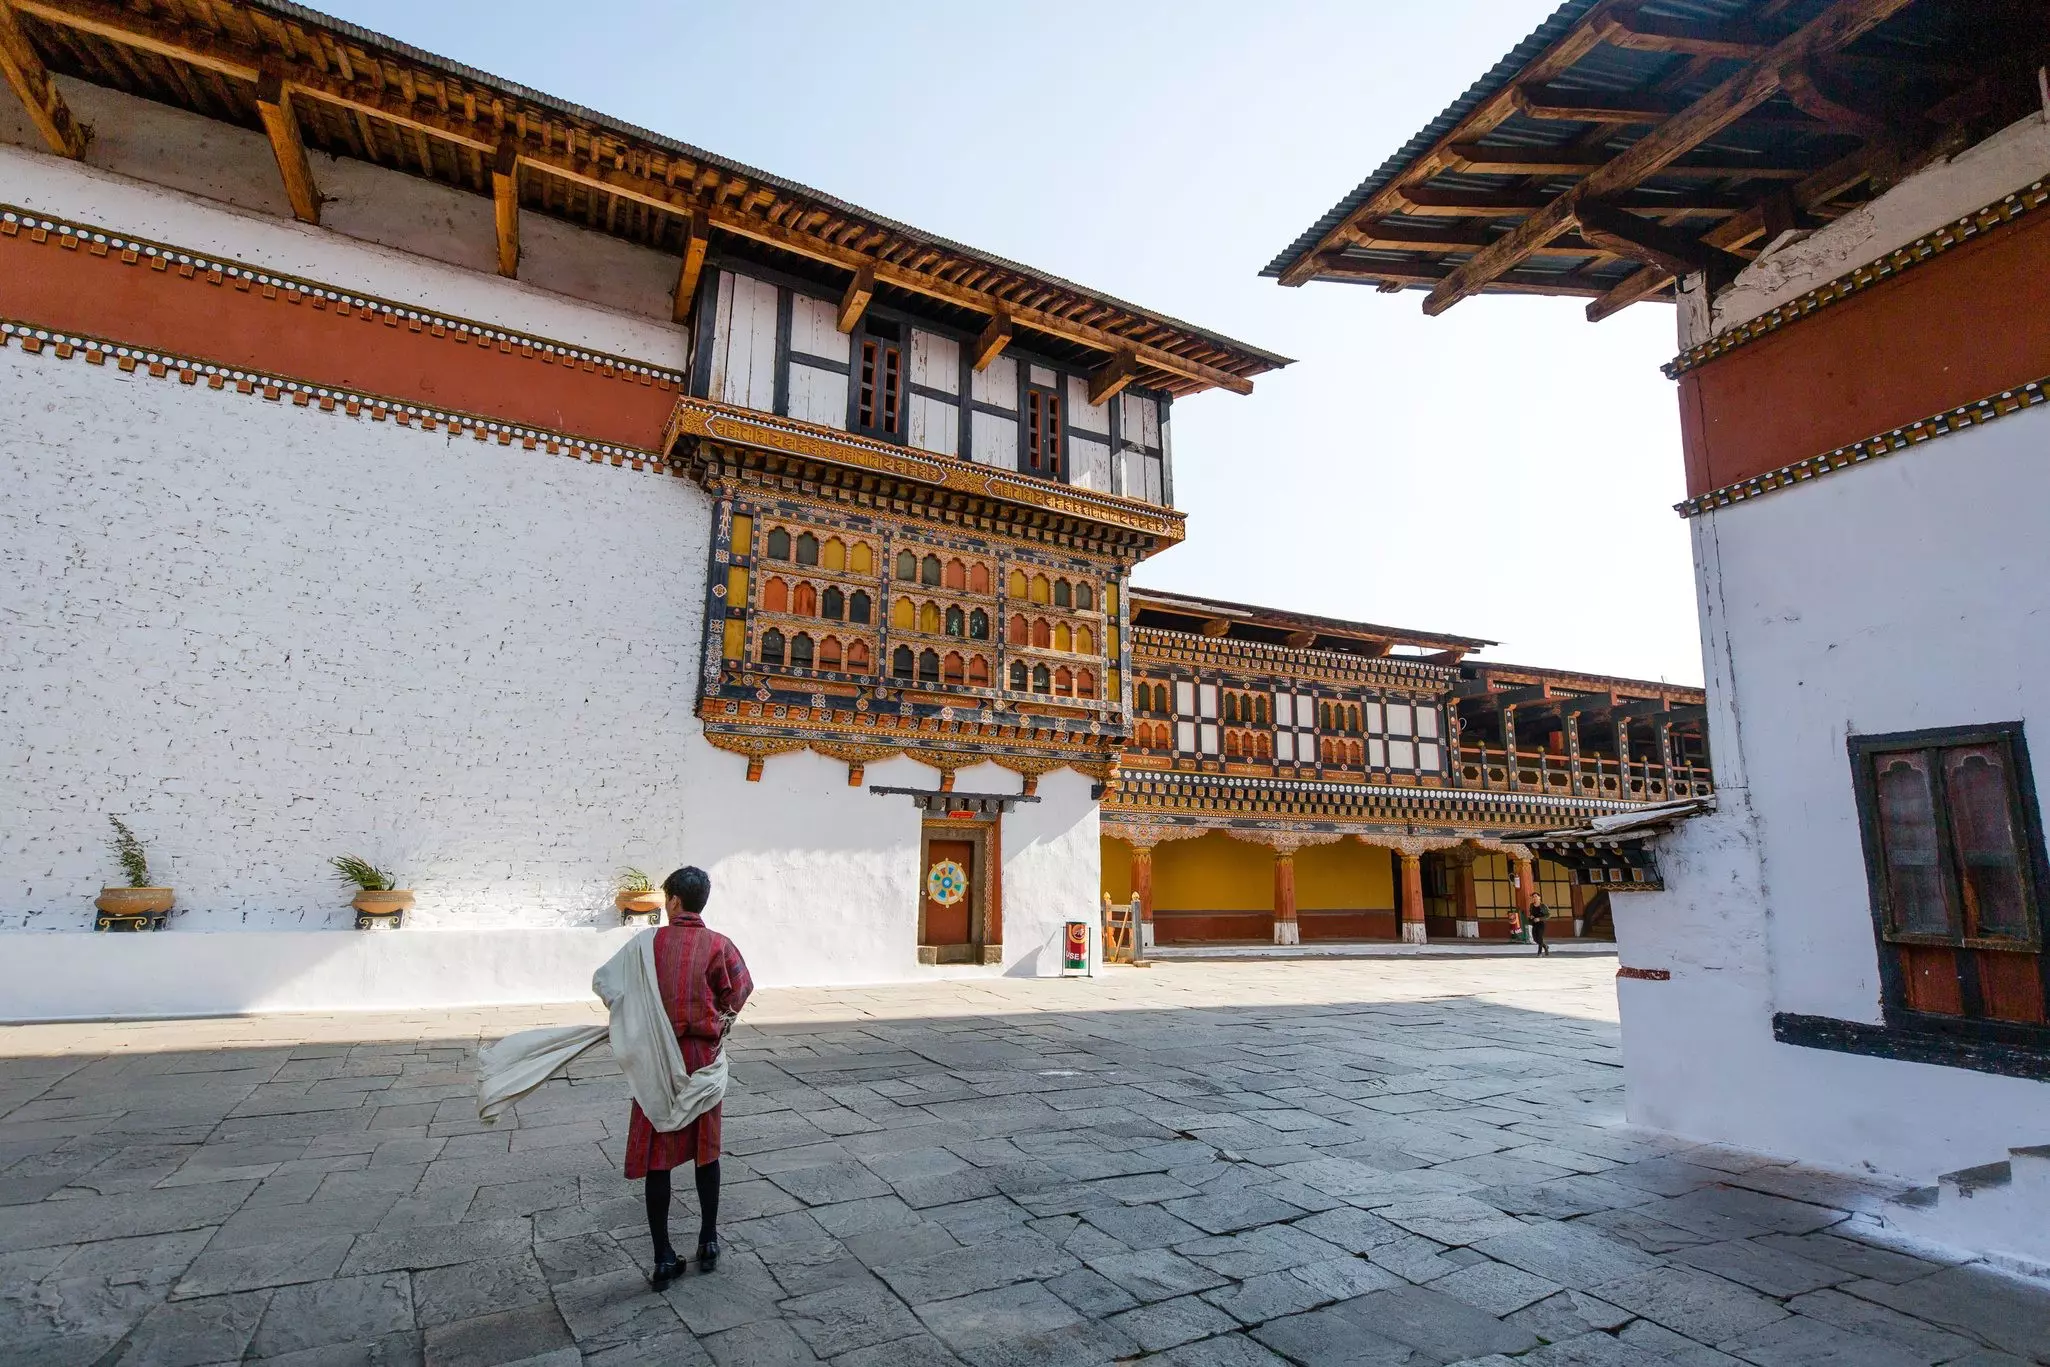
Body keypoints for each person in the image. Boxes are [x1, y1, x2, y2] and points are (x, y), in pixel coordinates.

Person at [628, 866, 753, 1287]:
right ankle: (708, 1238)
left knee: (657, 1160)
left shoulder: (646, 945)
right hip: (702, 1058)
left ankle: (663, 1255)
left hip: (658, 1061)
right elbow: (740, 989)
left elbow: (614, 988)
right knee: (707, 1153)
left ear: (674, 901)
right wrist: (718, 1017)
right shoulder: (720, 945)